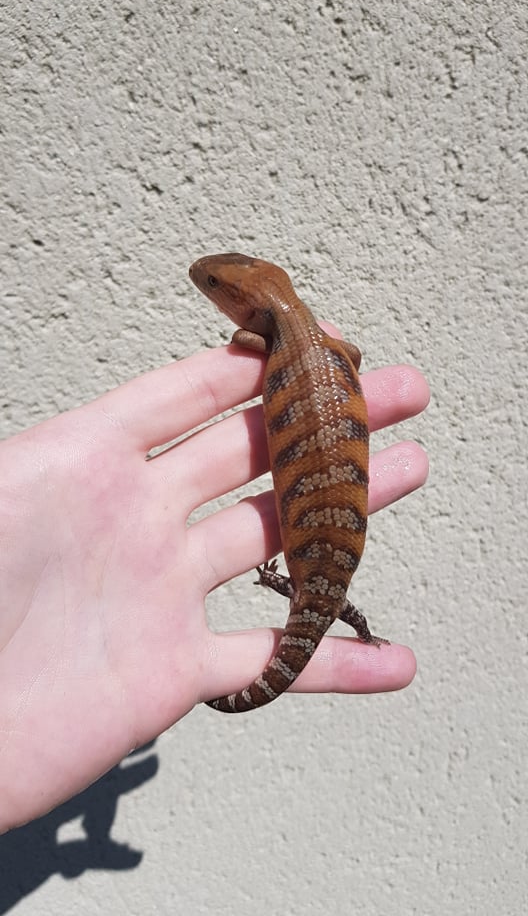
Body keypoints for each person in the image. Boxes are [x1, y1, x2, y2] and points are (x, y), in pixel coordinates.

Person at [0, 335, 429, 833]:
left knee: (319, 609)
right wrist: (349, 624)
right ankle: (363, 636)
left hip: (310, 579)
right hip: (318, 583)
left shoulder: (306, 593)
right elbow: (316, 602)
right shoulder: (317, 598)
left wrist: (275, 582)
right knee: (332, 610)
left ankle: (355, 634)